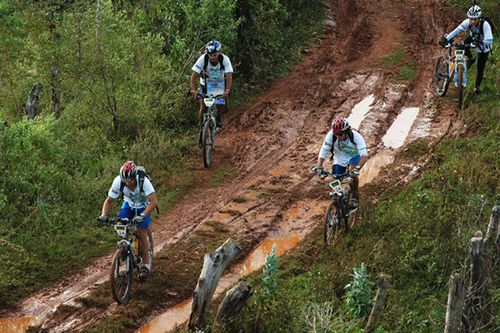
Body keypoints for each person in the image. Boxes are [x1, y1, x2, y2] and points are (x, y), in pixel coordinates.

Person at [98, 161, 158, 279]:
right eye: (125, 181)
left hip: (144, 206)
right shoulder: (118, 182)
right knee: (121, 224)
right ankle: (126, 250)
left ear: (134, 177)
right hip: (128, 205)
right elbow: (109, 200)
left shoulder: (143, 181)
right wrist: (104, 215)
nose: (127, 183)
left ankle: (145, 265)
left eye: (129, 180)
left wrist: (143, 215)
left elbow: (154, 201)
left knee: (141, 231)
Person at [315, 118, 368, 210]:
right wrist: (319, 166)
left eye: (340, 134)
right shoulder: (331, 135)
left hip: (354, 156)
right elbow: (324, 150)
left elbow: (364, 155)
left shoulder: (356, 136)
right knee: (336, 178)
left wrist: (357, 169)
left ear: (346, 131)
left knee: (352, 174)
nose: (338, 136)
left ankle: (355, 195)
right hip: (340, 157)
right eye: (336, 134)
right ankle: (336, 201)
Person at [439, 5, 493, 95]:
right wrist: (447, 39)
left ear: (479, 18)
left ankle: (477, 88)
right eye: (471, 19)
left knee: (480, 67)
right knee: (461, 47)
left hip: (483, 45)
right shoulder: (467, 22)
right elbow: (457, 30)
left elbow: (490, 40)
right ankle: (465, 65)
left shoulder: (485, 25)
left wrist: (480, 41)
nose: (472, 21)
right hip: (472, 38)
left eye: (475, 19)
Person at [190, 40, 233, 142]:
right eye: (210, 55)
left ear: (218, 53)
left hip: (220, 83)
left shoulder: (225, 60)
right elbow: (193, 77)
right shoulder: (203, 59)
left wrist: (227, 90)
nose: (212, 57)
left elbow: (229, 76)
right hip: (206, 84)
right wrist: (194, 91)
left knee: (221, 103)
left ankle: (219, 117)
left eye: (214, 55)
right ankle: (201, 129)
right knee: (203, 106)